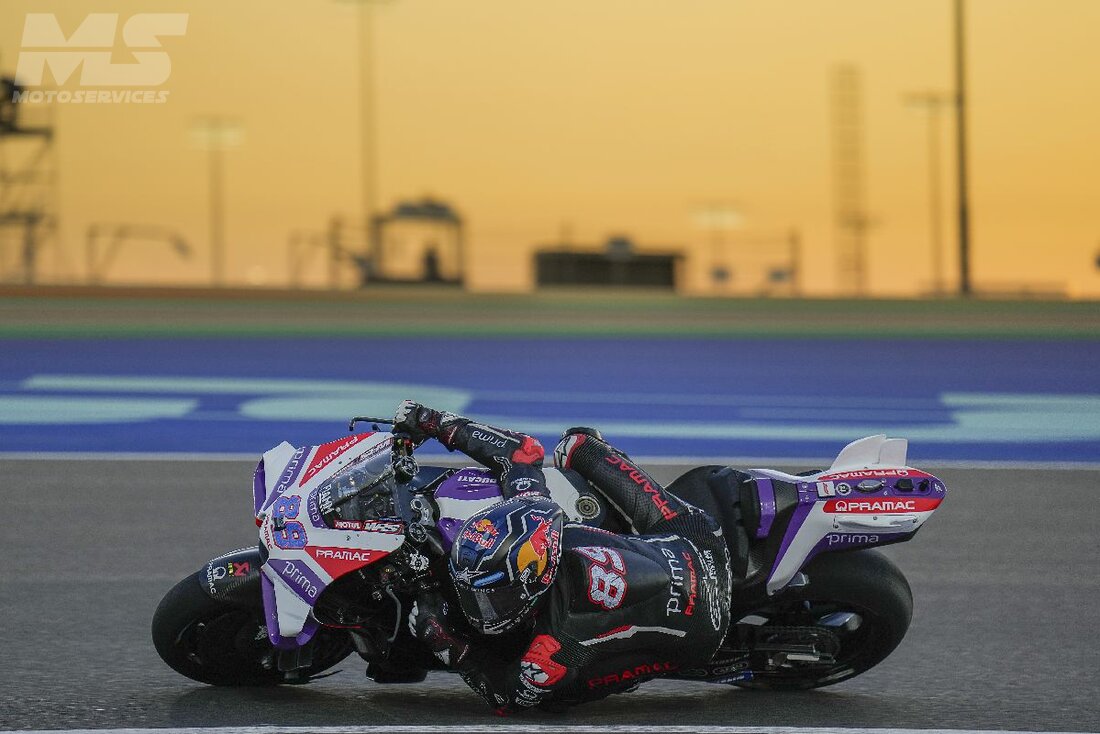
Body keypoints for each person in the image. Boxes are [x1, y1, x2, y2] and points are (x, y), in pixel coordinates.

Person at [393, 400, 732, 714]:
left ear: (533, 580)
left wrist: (455, 650)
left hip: (703, 625)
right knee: (576, 446)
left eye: (495, 596)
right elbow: (522, 452)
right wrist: (435, 422)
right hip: (693, 541)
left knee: (557, 694)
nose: (483, 609)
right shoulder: (535, 517)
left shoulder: (552, 645)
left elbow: (506, 697)